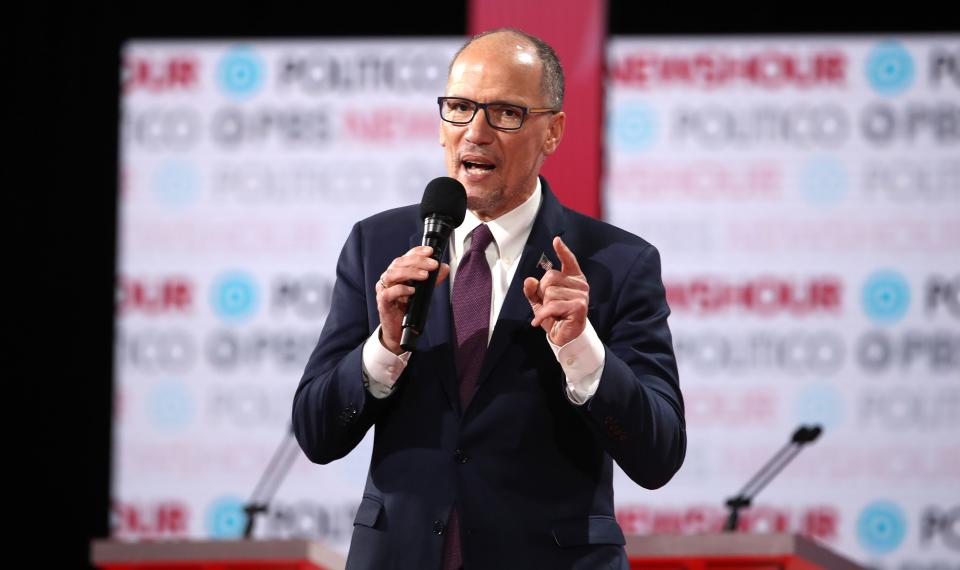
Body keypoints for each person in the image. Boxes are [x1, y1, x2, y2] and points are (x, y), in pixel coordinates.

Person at [292, 28, 685, 570]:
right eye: (458, 107)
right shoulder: (376, 245)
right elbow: (316, 432)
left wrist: (582, 349)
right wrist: (384, 346)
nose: (474, 133)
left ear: (553, 132)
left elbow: (658, 454)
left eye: (505, 113)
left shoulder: (616, 262)